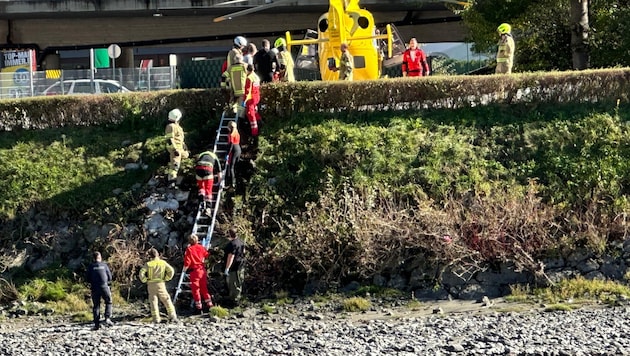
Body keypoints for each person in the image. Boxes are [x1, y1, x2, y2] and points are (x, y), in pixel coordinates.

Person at [138, 248, 178, 324]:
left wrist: (145, 280)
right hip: (161, 283)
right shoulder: (163, 263)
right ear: (158, 254)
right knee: (166, 300)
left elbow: (141, 273)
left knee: (153, 302)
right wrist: (167, 278)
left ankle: (156, 318)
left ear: (150, 256)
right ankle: (172, 316)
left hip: (151, 284)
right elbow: (171, 270)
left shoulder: (148, 264)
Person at [184, 234, 213, 313]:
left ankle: (199, 308)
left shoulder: (189, 249)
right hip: (202, 270)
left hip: (194, 271)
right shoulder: (201, 247)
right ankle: (210, 305)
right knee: (204, 288)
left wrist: (184, 270)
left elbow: (187, 262)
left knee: (196, 289)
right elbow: (207, 255)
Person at [86, 251, 114, 330]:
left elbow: (87, 278)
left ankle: (96, 324)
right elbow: (110, 277)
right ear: (100, 257)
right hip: (104, 286)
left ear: (93, 258)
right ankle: (107, 318)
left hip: (95, 288)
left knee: (96, 306)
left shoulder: (91, 266)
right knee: (108, 302)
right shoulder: (104, 265)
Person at [165, 108, 189, 188]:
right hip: (176, 149)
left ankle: (181, 178)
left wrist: (185, 147)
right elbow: (169, 139)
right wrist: (174, 149)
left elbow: (180, 139)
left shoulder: (177, 126)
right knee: (175, 165)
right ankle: (171, 181)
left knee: (186, 156)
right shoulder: (170, 126)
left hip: (180, 148)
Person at [223, 227, 246, 307]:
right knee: (239, 283)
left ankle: (235, 302)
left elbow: (231, 257)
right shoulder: (241, 241)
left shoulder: (232, 244)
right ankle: (236, 299)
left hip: (234, 267)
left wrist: (227, 268)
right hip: (241, 265)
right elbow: (243, 251)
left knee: (234, 284)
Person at [227, 36, 248, 116]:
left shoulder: (232, 52)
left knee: (233, 100)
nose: (243, 48)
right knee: (240, 99)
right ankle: (240, 116)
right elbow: (241, 64)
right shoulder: (235, 53)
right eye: (243, 46)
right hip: (237, 80)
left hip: (233, 79)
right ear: (239, 44)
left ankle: (234, 114)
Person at [243, 64, 262, 137]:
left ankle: (254, 131)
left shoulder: (249, 78)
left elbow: (247, 91)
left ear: (247, 70)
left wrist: (244, 101)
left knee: (250, 114)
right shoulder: (256, 77)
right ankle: (259, 122)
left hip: (250, 99)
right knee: (254, 112)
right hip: (256, 97)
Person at [226, 121, 241, 189]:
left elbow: (231, 145)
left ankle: (232, 183)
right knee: (236, 167)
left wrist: (227, 153)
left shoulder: (231, 134)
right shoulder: (237, 133)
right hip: (238, 149)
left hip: (234, 150)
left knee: (231, 167)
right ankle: (237, 181)